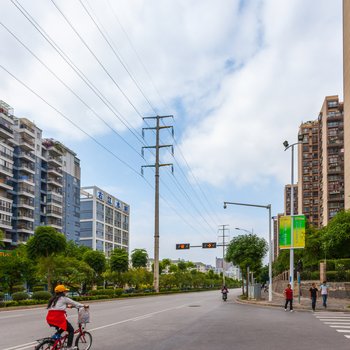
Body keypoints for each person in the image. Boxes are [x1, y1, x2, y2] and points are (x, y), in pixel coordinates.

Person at [46, 284, 88, 350]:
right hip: (58, 317)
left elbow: (57, 306)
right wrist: (84, 305)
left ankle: (55, 336)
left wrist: (67, 306)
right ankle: (69, 347)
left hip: (50, 318)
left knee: (64, 326)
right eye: (65, 291)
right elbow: (75, 303)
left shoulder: (53, 299)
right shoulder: (64, 298)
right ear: (62, 292)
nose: (66, 292)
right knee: (71, 330)